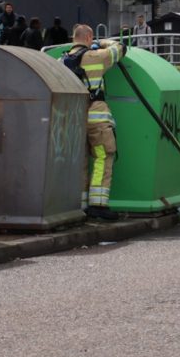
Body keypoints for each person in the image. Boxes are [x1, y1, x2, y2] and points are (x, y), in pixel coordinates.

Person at [63, 24, 126, 220]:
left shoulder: (61, 61)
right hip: (96, 118)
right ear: (89, 37)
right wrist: (101, 42)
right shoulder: (97, 57)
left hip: (71, 120)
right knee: (102, 157)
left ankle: (79, 206)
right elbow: (121, 48)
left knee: (79, 161)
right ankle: (98, 205)